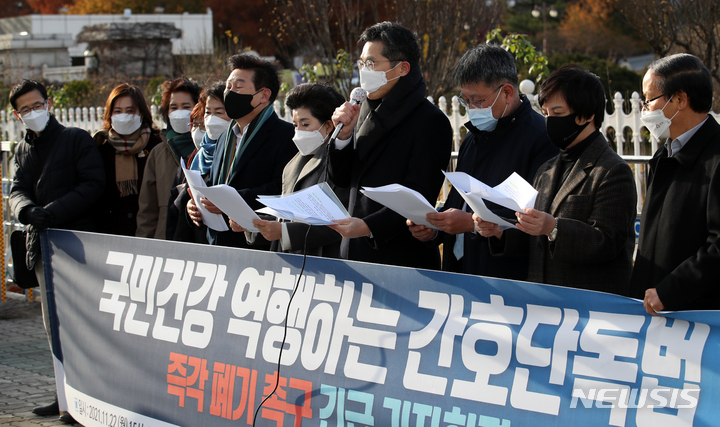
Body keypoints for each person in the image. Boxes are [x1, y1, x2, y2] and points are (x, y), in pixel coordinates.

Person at [474, 65, 637, 294]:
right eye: (546, 114)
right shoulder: (547, 169)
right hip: (545, 303)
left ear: (587, 115)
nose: (550, 121)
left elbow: (608, 241)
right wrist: (499, 230)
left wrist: (555, 227)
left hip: (589, 305)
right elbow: (536, 238)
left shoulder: (612, 171)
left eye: (558, 114)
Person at [407, 43, 557, 279]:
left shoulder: (541, 139)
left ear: (507, 92)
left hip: (506, 278)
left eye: (477, 100)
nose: (471, 109)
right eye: (465, 101)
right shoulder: (474, 137)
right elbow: (459, 202)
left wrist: (470, 223)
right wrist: (435, 229)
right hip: (461, 271)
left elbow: (539, 218)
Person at [8, 79, 104, 425]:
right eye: (25, 109)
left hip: (76, 245)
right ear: (17, 115)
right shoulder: (22, 149)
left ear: (48, 104)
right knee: (54, 325)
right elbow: (16, 189)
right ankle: (63, 394)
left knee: (82, 323)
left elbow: (93, 184)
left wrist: (54, 211)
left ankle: (87, 395)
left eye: (37, 105)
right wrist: (25, 210)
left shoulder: (75, 139)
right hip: (41, 247)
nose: (33, 113)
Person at [328, 21, 453, 269]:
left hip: (399, 258)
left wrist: (369, 226)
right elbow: (341, 178)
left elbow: (418, 194)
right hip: (353, 250)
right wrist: (342, 137)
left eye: (372, 64)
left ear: (402, 68)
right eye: (362, 63)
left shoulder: (430, 121)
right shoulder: (362, 109)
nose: (364, 71)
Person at [630, 53, 720, 313]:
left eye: (649, 100)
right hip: (655, 309)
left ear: (680, 99)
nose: (644, 109)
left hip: (697, 317)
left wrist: (672, 290)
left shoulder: (716, 158)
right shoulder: (663, 156)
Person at [187, 53, 296, 248]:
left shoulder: (285, 135)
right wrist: (198, 205)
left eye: (238, 87)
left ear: (264, 95)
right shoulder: (224, 137)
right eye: (228, 87)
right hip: (219, 243)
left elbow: (280, 190)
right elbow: (215, 184)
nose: (230, 93)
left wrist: (229, 202)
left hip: (257, 246)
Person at [230, 83, 347, 257]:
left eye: (305, 124)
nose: (298, 132)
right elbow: (286, 218)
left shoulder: (342, 162)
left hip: (327, 265)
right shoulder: (293, 164)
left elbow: (342, 224)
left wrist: (285, 232)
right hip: (289, 266)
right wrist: (254, 224)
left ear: (329, 126)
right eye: (295, 125)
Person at [93, 83, 162, 236]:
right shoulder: (101, 150)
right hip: (112, 232)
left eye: (130, 111)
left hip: (150, 232)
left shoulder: (157, 147)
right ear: (110, 115)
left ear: (141, 114)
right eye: (118, 111)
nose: (123, 116)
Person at [136, 77, 201, 239]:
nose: (179, 113)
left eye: (186, 107)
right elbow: (147, 209)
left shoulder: (207, 150)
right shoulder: (158, 152)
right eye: (173, 107)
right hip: (164, 240)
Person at [168, 81, 230, 242]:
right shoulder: (198, 155)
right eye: (208, 113)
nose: (211, 119)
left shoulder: (235, 151)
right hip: (198, 238)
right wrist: (190, 207)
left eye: (219, 112)